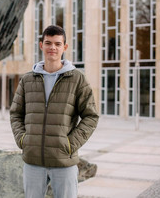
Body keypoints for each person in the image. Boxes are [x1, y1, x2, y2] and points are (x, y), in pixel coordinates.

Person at [10, 25, 99, 198]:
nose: (53, 48)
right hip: (33, 161)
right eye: (48, 43)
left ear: (64, 47)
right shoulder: (28, 79)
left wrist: (70, 145)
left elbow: (91, 116)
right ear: (41, 45)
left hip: (63, 162)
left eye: (58, 44)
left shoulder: (77, 79)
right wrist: (23, 140)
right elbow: (15, 113)